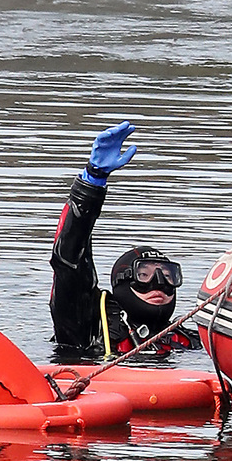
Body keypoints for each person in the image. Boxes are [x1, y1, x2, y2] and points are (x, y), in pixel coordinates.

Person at [50, 122, 194, 359]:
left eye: (168, 275)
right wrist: (92, 182)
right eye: (144, 274)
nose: (159, 283)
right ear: (123, 282)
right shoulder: (88, 326)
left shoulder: (188, 339)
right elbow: (69, 261)